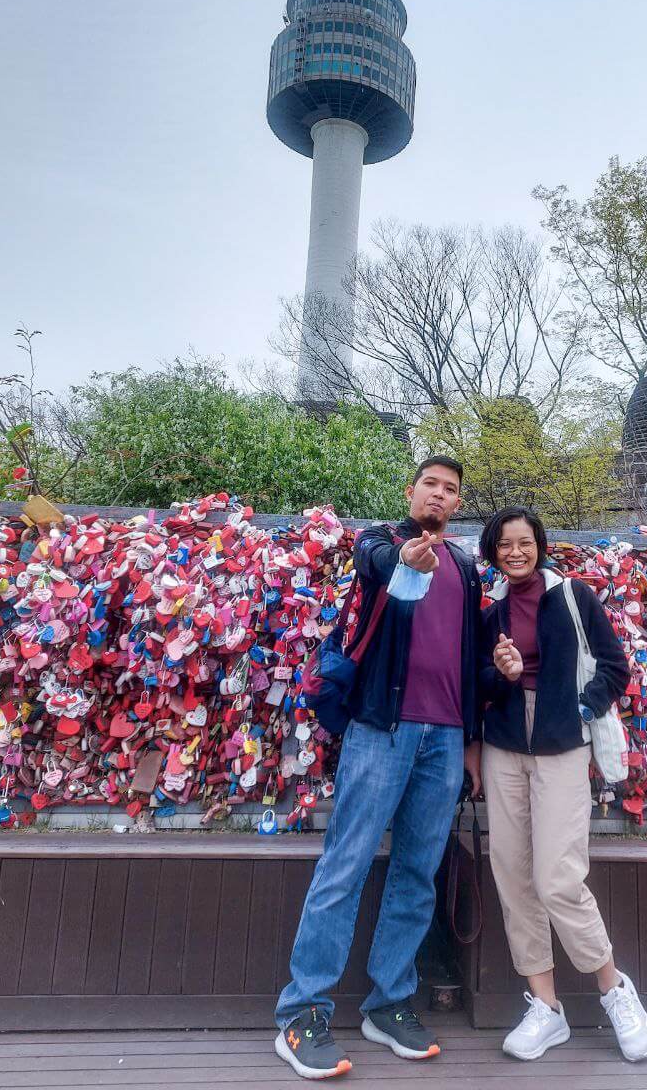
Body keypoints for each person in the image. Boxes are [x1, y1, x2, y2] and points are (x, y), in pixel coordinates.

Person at [274, 456, 483, 1080]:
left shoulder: (466, 568)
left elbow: (468, 658)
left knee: (418, 871)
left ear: (457, 502)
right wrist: (403, 563)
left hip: (445, 739)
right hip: (381, 730)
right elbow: (377, 565)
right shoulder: (378, 542)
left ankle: (388, 1003)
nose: (439, 496)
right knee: (346, 864)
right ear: (410, 490)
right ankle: (301, 1012)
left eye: (451, 490)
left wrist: (469, 738)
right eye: (430, 485)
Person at [476, 506, 647, 1063]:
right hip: (504, 747)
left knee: (558, 878)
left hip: (561, 746)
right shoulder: (491, 614)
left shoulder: (574, 596)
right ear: (493, 551)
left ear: (540, 545)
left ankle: (613, 989)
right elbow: (477, 681)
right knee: (513, 874)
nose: (515, 552)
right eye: (505, 544)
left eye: (524, 542)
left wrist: (582, 707)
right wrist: (499, 673)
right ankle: (546, 1008)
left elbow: (614, 666)